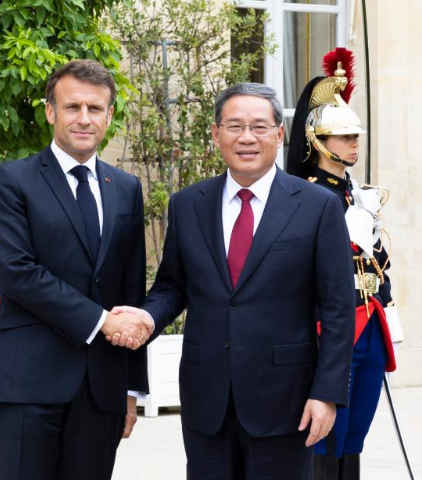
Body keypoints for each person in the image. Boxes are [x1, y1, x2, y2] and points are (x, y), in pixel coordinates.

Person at [112, 82, 356, 479]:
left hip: (286, 400)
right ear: (215, 134)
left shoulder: (318, 207)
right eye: (234, 126)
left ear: (279, 134)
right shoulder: (189, 204)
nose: (246, 137)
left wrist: (326, 394)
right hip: (206, 398)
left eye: (259, 127)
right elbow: (173, 286)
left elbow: (339, 310)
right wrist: (146, 319)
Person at [0, 59, 153, 480]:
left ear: (109, 116)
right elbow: (18, 273)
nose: (84, 118)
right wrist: (101, 322)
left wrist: (131, 388)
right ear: (50, 112)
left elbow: (130, 286)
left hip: (101, 389)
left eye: (95, 109)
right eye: (72, 106)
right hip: (28, 383)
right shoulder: (9, 181)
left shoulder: (125, 188)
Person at [285, 47, 404, 480]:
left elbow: (376, 259)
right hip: (331, 327)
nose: (354, 144)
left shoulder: (357, 194)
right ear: (318, 140)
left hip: (370, 323)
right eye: (344, 137)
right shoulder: (306, 195)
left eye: (356, 137)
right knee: (328, 436)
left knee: (355, 437)